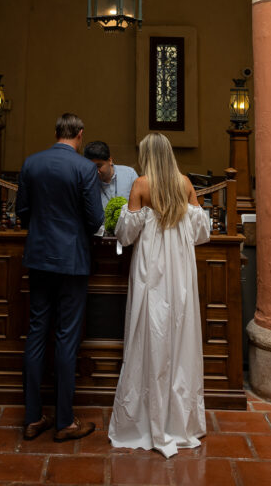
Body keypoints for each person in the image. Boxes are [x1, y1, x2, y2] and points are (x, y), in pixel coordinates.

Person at [108, 132, 210, 458]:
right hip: (180, 272)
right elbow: (201, 231)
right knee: (180, 337)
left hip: (151, 272)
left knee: (149, 335)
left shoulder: (140, 185)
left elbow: (126, 232)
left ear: (147, 155)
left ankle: (144, 417)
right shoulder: (184, 183)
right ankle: (180, 422)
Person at [15, 112, 104, 442]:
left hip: (38, 257)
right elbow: (95, 220)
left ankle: (33, 417)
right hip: (71, 260)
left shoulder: (31, 163)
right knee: (67, 336)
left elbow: (21, 211)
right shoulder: (84, 168)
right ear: (80, 135)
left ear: (57, 133)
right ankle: (65, 420)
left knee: (37, 331)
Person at [83, 139, 138, 210]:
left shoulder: (130, 174)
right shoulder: (88, 183)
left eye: (99, 166)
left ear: (110, 160)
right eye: (91, 167)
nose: (96, 171)